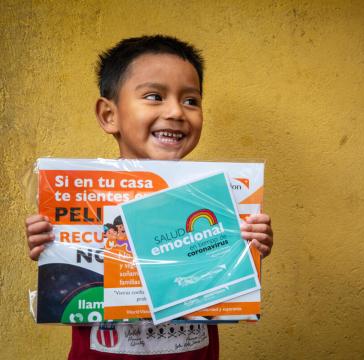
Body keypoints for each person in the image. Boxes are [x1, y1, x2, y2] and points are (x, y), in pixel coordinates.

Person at [25, 35, 273, 359]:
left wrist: (252, 244)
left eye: (191, 101)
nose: (175, 112)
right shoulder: (78, 196)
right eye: (154, 96)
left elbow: (227, 278)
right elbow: (67, 277)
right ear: (108, 115)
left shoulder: (216, 198)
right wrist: (49, 244)